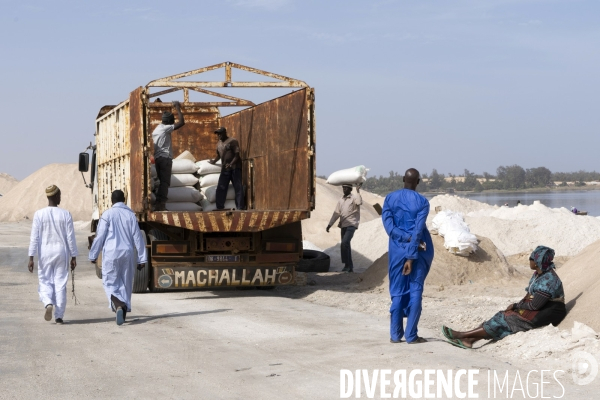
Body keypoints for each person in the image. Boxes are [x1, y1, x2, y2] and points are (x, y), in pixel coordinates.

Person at [442, 246, 566, 349]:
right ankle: (469, 340)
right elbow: (530, 297)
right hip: (539, 309)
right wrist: (517, 306)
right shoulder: (539, 274)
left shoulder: (549, 280)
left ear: (538, 262)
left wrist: (516, 306)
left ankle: (462, 335)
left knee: (505, 319)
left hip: (547, 313)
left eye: (531, 259)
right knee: (502, 316)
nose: (530, 261)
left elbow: (535, 305)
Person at [382, 168, 434, 344]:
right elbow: (418, 231)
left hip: (396, 251)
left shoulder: (390, 199)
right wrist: (411, 256)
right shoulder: (422, 202)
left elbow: (389, 227)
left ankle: (395, 335)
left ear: (403, 179)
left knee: (397, 291)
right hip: (418, 251)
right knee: (416, 289)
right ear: (418, 182)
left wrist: (404, 238)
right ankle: (411, 335)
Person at [88, 190, 147, 326]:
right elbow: (137, 237)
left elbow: (100, 236)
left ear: (111, 200)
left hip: (111, 253)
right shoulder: (130, 215)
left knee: (109, 282)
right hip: (127, 253)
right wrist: (142, 259)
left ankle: (119, 305)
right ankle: (123, 310)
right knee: (126, 284)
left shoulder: (107, 215)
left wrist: (93, 255)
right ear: (124, 199)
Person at [28, 185, 78, 324]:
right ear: (55, 196)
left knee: (45, 280)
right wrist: (73, 256)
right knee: (60, 283)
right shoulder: (66, 214)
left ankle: (48, 302)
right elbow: (70, 237)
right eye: (59, 195)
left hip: (45, 253)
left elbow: (34, 237)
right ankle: (59, 315)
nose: (60, 198)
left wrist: (31, 257)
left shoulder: (39, 214)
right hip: (61, 252)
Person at [152, 101, 185, 211]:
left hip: (158, 159)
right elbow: (181, 122)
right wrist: (177, 108)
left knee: (162, 182)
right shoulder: (165, 129)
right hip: (165, 158)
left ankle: (159, 203)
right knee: (165, 183)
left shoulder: (158, 128)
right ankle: (160, 205)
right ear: (169, 122)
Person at [326, 184, 363, 272]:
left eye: (346, 188)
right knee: (345, 245)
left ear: (350, 189)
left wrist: (358, 191)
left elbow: (359, 202)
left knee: (345, 243)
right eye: (343, 188)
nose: (344, 189)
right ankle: (348, 266)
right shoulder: (341, 200)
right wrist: (330, 224)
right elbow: (336, 213)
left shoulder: (354, 198)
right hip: (343, 225)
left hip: (352, 225)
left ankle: (348, 266)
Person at [208, 127, 244, 210]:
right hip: (225, 169)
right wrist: (214, 161)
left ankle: (240, 208)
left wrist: (231, 164)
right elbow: (219, 155)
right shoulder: (219, 144)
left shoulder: (232, 141)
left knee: (238, 187)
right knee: (221, 187)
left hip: (235, 168)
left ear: (225, 132)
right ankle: (220, 207)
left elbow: (237, 155)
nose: (219, 135)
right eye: (218, 134)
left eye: (220, 133)